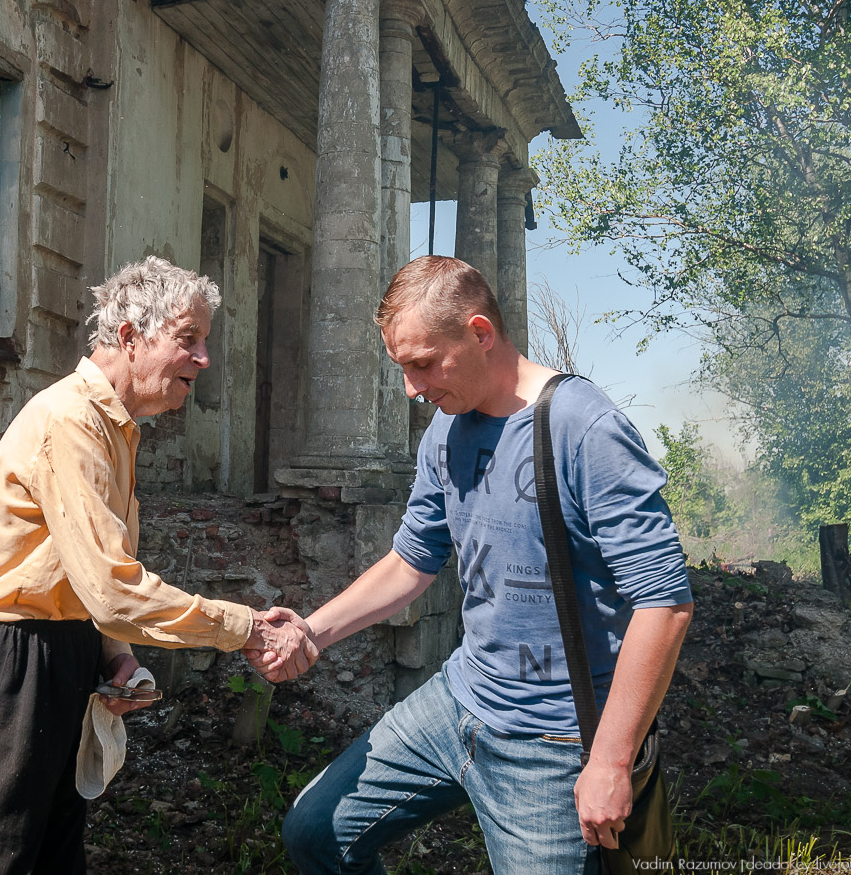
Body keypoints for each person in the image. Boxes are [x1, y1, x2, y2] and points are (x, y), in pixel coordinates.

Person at [254, 256, 693, 875]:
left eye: (422, 363)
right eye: (402, 367)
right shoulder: (446, 430)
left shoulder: (584, 428)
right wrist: (308, 632)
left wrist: (612, 762)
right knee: (316, 833)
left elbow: (665, 604)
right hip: (459, 703)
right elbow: (412, 562)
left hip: (554, 745)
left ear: (480, 333)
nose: (411, 386)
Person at [0, 255, 314, 875]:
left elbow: (86, 577)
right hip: (8, 665)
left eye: (205, 340)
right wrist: (246, 628)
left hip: (60, 653)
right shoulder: (72, 423)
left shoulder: (114, 427)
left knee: (54, 861)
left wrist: (113, 657)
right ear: (132, 338)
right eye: (188, 340)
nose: (205, 359)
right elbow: (112, 588)